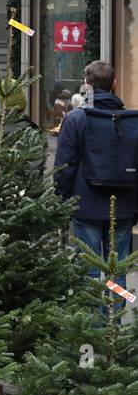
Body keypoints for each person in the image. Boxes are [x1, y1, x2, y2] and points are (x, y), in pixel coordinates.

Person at [53, 60, 137, 265]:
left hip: (85, 206)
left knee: (87, 273)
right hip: (122, 208)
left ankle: (93, 298)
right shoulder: (132, 122)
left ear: (86, 85)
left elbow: (64, 167)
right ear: (114, 83)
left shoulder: (75, 119)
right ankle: (117, 298)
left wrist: (61, 203)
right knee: (117, 274)